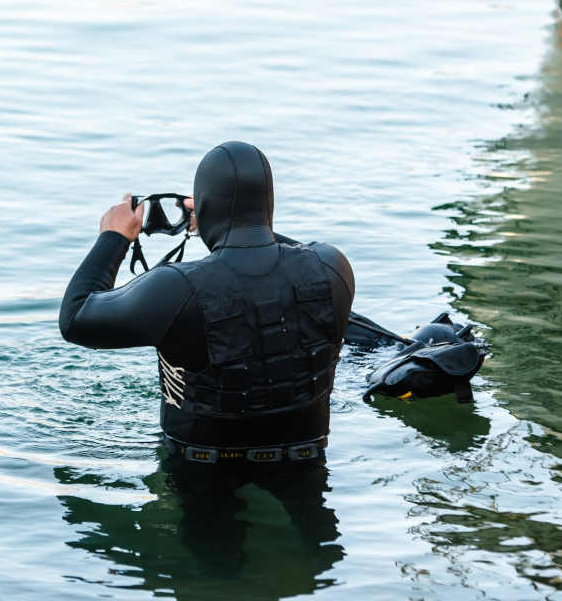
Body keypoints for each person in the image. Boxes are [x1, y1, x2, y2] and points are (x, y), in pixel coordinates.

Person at [59, 141, 355, 461]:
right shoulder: (332, 268)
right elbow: (283, 253)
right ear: (267, 200)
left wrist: (113, 235)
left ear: (203, 206)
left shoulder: (175, 289)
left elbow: (76, 316)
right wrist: (226, 219)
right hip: (307, 464)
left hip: (201, 474)